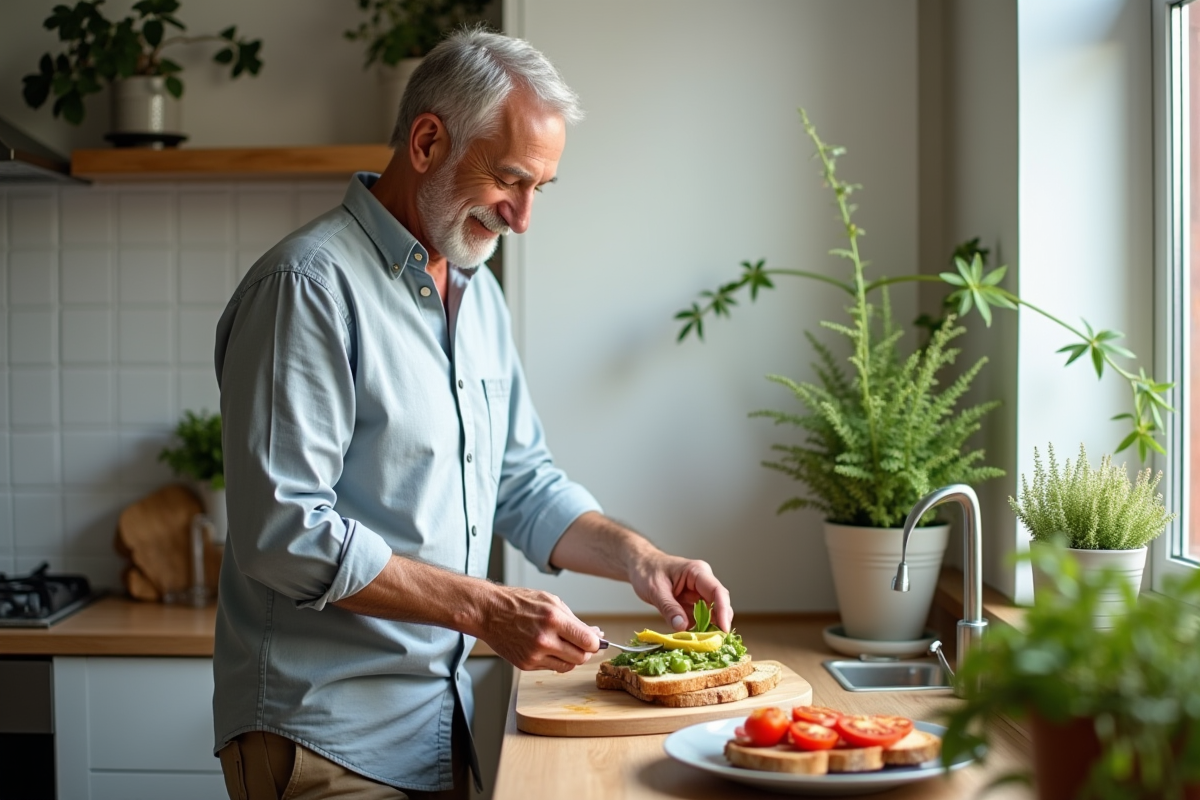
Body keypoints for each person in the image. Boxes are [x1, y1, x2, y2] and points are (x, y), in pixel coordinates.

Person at [211, 27, 733, 800]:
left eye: (539, 190)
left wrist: (641, 560)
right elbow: (285, 533)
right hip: (324, 738)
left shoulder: (476, 294)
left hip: (435, 724)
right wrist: (487, 609)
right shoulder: (309, 288)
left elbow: (519, 482)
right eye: (512, 181)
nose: (523, 218)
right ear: (427, 142)